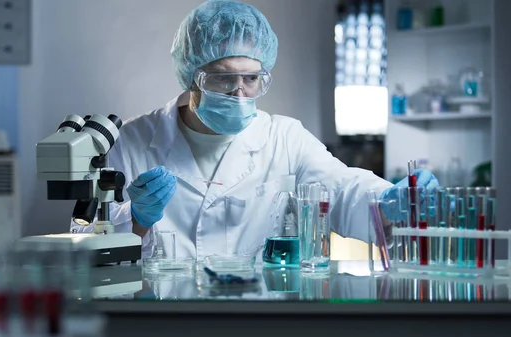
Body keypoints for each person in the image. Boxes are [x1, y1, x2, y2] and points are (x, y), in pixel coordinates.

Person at [71, 0, 439, 259]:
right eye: (222, 77)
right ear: (191, 76)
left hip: (258, 310)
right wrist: (134, 220)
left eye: (251, 78)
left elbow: (341, 190)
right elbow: (81, 238)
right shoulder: (130, 141)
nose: (239, 91)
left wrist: (393, 201)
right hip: (161, 312)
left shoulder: (284, 138)